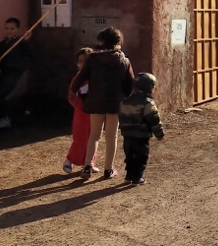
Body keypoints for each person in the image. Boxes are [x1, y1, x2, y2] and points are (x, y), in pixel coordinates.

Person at [70, 26, 134, 180]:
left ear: (101, 40)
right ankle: (108, 169)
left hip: (95, 102)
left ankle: (87, 167)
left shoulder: (93, 59)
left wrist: (77, 92)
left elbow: (79, 79)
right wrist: (123, 96)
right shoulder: (124, 60)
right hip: (114, 104)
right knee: (111, 137)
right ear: (118, 41)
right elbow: (131, 84)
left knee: (94, 136)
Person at [118, 72, 165, 185]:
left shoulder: (125, 101)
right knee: (141, 156)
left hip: (127, 135)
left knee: (129, 155)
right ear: (149, 87)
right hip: (141, 136)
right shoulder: (147, 103)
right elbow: (154, 119)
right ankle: (137, 177)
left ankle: (129, 175)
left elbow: (121, 116)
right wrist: (159, 134)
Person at [0, 17, 31, 129]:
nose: (9, 31)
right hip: (5, 71)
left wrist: (26, 41)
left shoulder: (21, 42)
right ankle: (1, 117)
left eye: (12, 28)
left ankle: (5, 119)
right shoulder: (3, 43)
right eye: (7, 28)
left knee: (1, 94)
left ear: (17, 29)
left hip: (14, 71)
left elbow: (28, 53)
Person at [63, 48, 99, 175]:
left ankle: (89, 163)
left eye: (86, 60)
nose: (82, 63)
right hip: (82, 112)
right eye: (80, 61)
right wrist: (80, 106)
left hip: (94, 112)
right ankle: (69, 160)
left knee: (93, 137)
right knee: (81, 138)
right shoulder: (78, 78)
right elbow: (72, 96)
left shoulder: (96, 77)